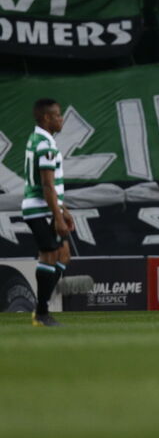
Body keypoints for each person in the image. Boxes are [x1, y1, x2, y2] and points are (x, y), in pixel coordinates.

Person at [22, 99, 75, 327]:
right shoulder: (45, 145)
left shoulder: (39, 139)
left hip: (49, 207)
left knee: (63, 255)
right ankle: (42, 312)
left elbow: (51, 186)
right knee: (50, 255)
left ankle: (41, 306)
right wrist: (58, 215)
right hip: (39, 209)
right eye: (58, 115)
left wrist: (63, 209)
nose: (61, 119)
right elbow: (46, 185)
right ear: (46, 118)